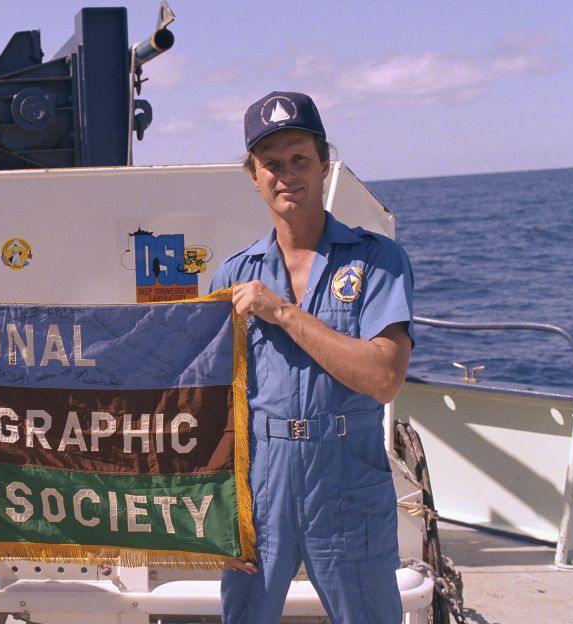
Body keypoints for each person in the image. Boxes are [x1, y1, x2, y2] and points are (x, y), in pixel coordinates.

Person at [210, 92, 415, 623]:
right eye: (270, 163)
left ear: (326, 165)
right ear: (253, 177)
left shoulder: (377, 260)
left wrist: (281, 312)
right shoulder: (231, 276)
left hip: (346, 474)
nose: (286, 175)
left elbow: (385, 377)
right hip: (261, 482)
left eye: (299, 158)